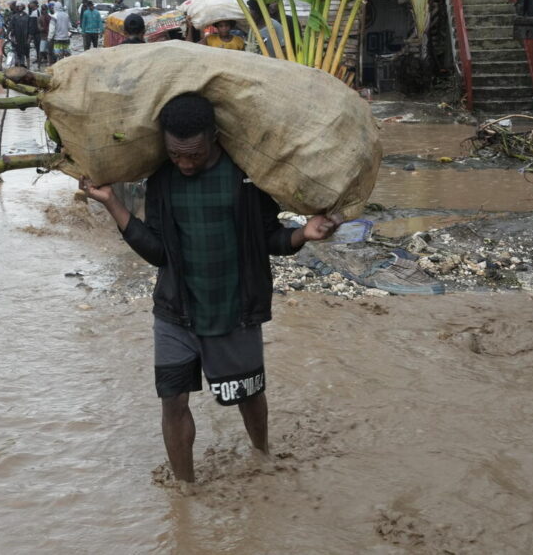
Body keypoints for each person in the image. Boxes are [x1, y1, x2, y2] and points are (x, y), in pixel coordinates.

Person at [78, 94, 340, 482]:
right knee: (173, 402)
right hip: (175, 312)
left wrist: (303, 233)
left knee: (248, 395)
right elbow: (157, 252)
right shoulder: (162, 180)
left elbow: (268, 239)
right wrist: (113, 204)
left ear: (215, 138)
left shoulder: (246, 179)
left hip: (234, 311)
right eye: (175, 154)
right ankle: (185, 494)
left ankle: (262, 458)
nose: (184, 163)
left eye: (194, 155)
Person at [11, 3, 31, 67]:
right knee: (17, 51)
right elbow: (12, 27)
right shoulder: (14, 16)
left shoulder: (27, 16)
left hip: (25, 36)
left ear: (23, 7)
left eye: (21, 6)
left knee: (26, 52)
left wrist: (29, 38)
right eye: (18, 6)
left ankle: (27, 66)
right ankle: (18, 64)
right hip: (17, 36)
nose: (20, 7)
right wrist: (12, 37)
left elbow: (30, 27)